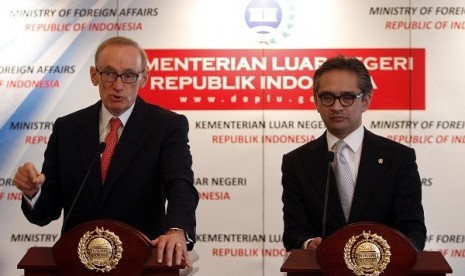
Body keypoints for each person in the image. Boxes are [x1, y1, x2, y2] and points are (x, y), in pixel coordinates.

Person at [13, 36, 199, 267]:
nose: (118, 85)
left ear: (143, 77)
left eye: (129, 75)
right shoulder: (67, 128)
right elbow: (45, 212)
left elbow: (180, 184)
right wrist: (34, 194)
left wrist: (176, 230)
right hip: (78, 263)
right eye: (109, 74)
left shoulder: (166, 126)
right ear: (94, 75)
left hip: (141, 261)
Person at [281, 55, 426, 252]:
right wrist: (308, 244)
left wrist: (384, 254)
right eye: (327, 97)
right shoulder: (297, 162)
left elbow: (413, 229)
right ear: (316, 101)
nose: (337, 106)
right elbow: (294, 231)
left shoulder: (399, 158)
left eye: (347, 97)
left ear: (366, 101)